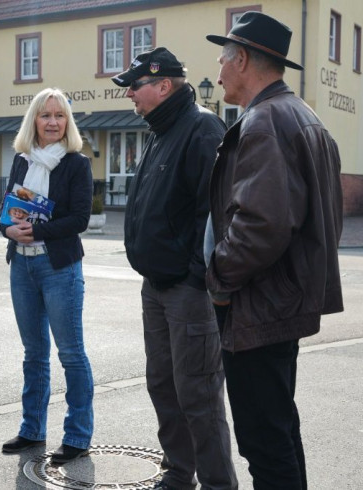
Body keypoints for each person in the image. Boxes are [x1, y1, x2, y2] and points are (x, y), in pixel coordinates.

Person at [205, 12, 344, 490]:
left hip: (258, 307)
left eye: (223, 59)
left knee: (264, 444)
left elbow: (261, 225)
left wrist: (218, 282)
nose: (218, 70)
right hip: (282, 301)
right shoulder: (302, 116)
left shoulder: (265, 122)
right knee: (281, 432)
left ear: (241, 59)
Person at [111, 48, 237, 490]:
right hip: (157, 286)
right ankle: (178, 474)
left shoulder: (202, 129)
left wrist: (192, 271)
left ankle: (219, 484)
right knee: (164, 387)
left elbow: (217, 212)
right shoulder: (160, 130)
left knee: (198, 395)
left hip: (188, 290)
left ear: (163, 85)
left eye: (135, 85)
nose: (130, 94)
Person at [0, 87, 94, 464]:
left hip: (58, 268)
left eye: (59, 116)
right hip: (21, 265)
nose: (53, 122)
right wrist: (8, 229)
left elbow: (80, 220)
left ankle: (77, 435)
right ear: (33, 121)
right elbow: (9, 206)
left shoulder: (76, 163)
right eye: (45, 115)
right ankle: (32, 429)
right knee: (34, 354)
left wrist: (36, 231)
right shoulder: (22, 160)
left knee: (70, 354)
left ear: (66, 122)